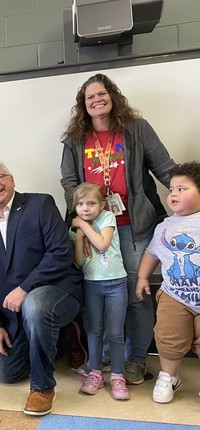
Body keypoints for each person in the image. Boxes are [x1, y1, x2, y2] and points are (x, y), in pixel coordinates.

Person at [61, 73, 176, 385]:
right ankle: (103, 359)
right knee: (95, 292)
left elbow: (164, 166)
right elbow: (69, 181)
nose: (97, 100)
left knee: (135, 293)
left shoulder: (136, 129)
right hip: (92, 228)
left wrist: (186, 191)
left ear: (112, 96)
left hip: (134, 227)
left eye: (102, 93)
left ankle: (136, 359)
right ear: (83, 105)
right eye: (90, 97)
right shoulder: (75, 140)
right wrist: (82, 221)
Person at [0, 161, 82, 416]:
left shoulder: (40, 204)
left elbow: (60, 253)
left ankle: (42, 388)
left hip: (57, 290)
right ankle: (65, 338)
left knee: (35, 304)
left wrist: (25, 288)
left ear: (11, 180)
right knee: (6, 374)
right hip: (15, 311)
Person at [136, 162, 200, 404]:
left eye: (182, 189)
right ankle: (169, 376)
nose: (173, 194)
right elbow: (152, 253)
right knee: (168, 336)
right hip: (175, 295)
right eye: (172, 189)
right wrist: (143, 278)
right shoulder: (165, 226)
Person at [70, 183, 129, 400]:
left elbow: (103, 245)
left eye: (91, 203)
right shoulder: (76, 229)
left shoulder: (107, 218)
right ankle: (95, 373)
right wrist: (77, 234)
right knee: (94, 330)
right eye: (80, 204)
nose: (85, 208)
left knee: (115, 333)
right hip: (92, 284)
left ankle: (117, 376)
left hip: (116, 283)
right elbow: (78, 261)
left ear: (102, 205)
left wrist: (82, 226)